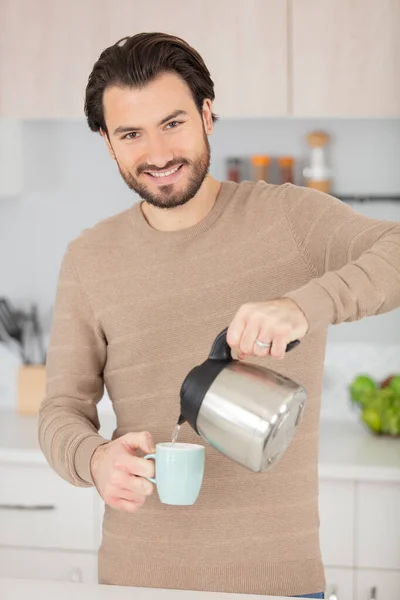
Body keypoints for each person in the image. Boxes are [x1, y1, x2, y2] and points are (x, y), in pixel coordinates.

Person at [38, 32, 400, 599]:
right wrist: (94, 459)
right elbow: (60, 409)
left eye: (173, 123)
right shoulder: (89, 258)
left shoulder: (291, 219)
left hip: (280, 583)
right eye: (131, 133)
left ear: (208, 115)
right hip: (137, 581)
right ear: (107, 141)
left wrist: (305, 306)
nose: (157, 153)